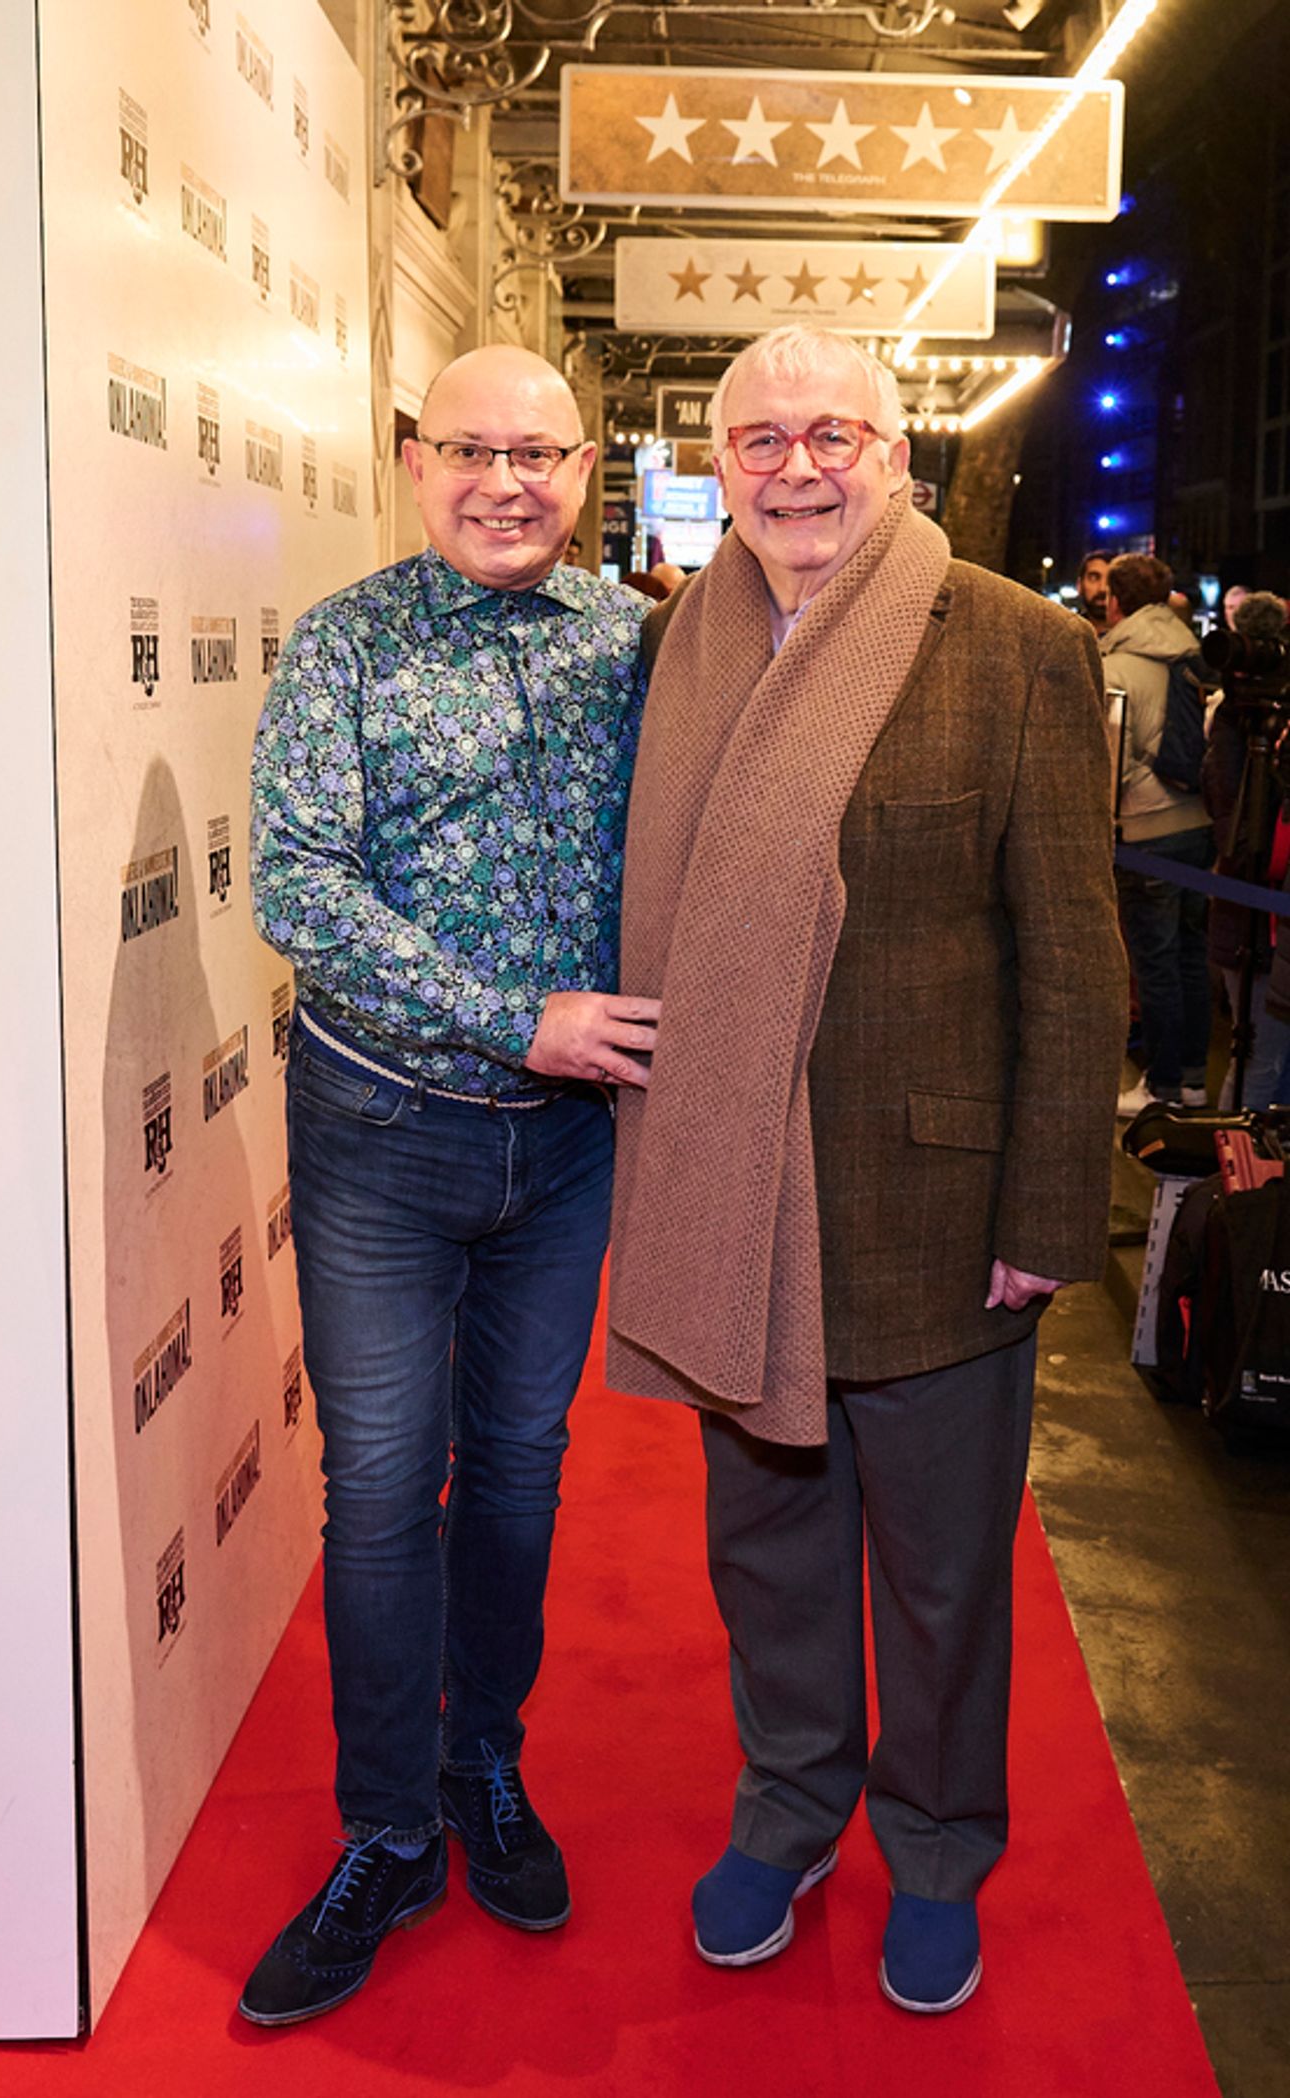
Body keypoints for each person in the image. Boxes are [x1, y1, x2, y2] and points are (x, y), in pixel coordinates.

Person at [607, 325, 1126, 2015]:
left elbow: (1073, 951)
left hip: (935, 1204)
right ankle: (790, 1805)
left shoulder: (1018, 649)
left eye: (833, 431)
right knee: (766, 1547)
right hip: (732, 1186)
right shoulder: (685, 647)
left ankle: (939, 1840)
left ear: (897, 451)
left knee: (941, 1567)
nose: (797, 466)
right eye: (759, 437)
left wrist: (1051, 1211)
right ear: (722, 461)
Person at [242, 344, 659, 2026]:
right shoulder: (343, 642)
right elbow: (298, 885)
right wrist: (519, 1016)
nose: (507, 482)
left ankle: (486, 1765)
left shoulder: (644, 646)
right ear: (414, 459)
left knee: (520, 1477)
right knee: (382, 1487)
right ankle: (385, 1825)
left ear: (586, 468)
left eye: (541, 455)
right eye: (473, 450)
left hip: (566, 1155)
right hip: (379, 1139)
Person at [1103, 551, 1217, 1116]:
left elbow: (1109, 765)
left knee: (1155, 962)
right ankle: (1194, 1079)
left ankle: (1162, 1084)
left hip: (1146, 833)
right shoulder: (1195, 656)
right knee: (1192, 957)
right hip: (1198, 827)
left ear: (1113, 600)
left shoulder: (1118, 667)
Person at [1203, 591, 1290, 1107]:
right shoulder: (1236, 729)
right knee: (1260, 1056)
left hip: (1246, 907)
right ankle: (1237, 1174)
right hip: (1252, 911)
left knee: (1259, 1056)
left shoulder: (1231, 729)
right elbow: (1236, 833)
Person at [1075, 548, 1114, 636]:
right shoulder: (1063, 633)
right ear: (1079, 585)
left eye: (1111, 580)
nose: (1103, 588)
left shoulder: (1138, 637)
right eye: (1094, 578)